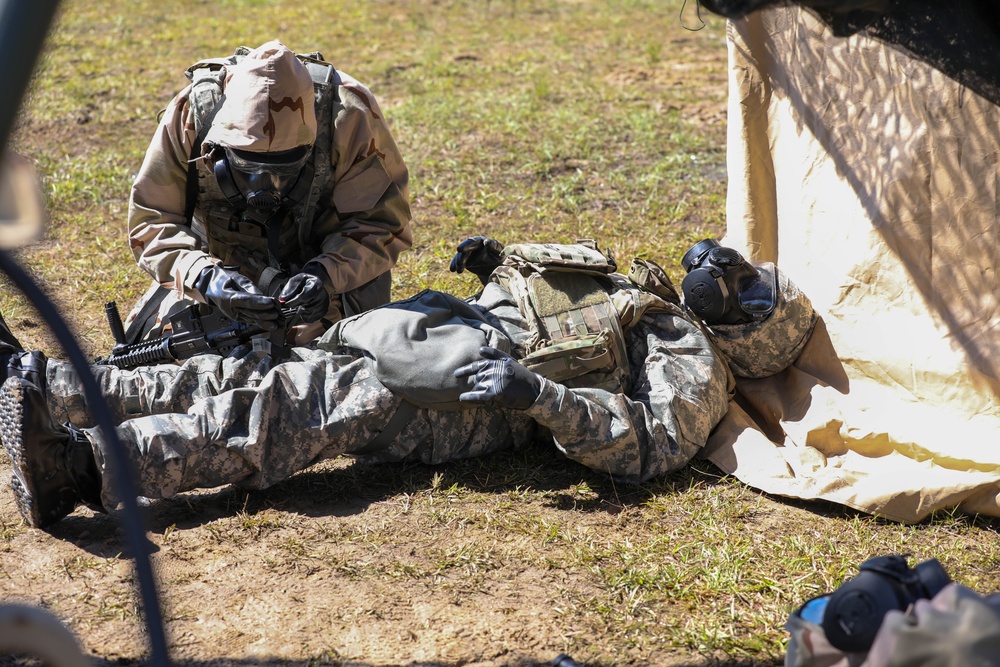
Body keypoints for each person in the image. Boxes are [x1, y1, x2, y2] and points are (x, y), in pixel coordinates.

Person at [0, 237, 815, 529]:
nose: (728, 270)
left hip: (463, 401)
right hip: (440, 333)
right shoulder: (645, 294)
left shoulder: (697, 361)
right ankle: (46, 390)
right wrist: (498, 262)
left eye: (747, 289)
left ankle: (77, 469)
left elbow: (648, 448)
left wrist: (538, 398)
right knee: (246, 370)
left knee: (279, 411)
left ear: (751, 336)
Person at [124, 40, 413, 347]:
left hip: (325, 273)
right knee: (159, 350)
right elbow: (151, 222)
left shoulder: (347, 116)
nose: (265, 186)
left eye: (284, 169)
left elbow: (381, 224)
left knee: (339, 361)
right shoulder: (192, 117)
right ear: (219, 151)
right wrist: (206, 278)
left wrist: (325, 275)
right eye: (247, 168)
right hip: (218, 268)